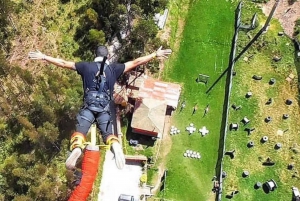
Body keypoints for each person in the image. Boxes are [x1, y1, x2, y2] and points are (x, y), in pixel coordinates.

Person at [28, 45, 172, 170]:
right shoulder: (114, 68)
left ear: (94, 55)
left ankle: (78, 147)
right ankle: (114, 145)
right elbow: (136, 62)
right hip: (104, 108)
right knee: (108, 134)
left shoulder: (85, 66)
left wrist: (44, 56)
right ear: (108, 56)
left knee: (80, 131)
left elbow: (64, 63)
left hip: (88, 107)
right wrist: (155, 54)